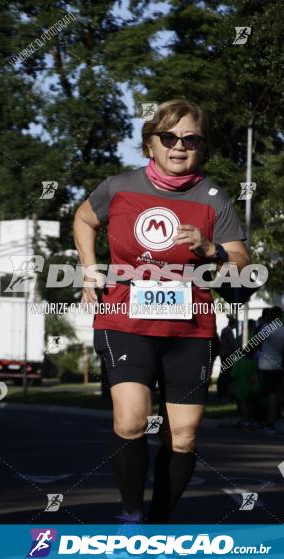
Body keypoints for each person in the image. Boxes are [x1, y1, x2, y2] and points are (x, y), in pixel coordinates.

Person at [73, 99, 250, 533]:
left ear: (201, 147)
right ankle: (131, 516)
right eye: (168, 137)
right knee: (131, 420)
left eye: (190, 139)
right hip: (125, 319)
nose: (179, 146)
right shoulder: (118, 186)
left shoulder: (213, 197)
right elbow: (83, 218)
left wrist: (213, 250)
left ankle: (158, 523)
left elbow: (243, 260)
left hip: (190, 326)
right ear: (150, 143)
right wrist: (88, 268)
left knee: (184, 436)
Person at [256, 306, 284, 433]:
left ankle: (269, 421)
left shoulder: (267, 328)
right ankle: (277, 416)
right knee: (276, 392)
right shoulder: (283, 330)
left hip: (265, 364)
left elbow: (257, 343)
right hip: (277, 363)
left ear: (273, 315)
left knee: (268, 394)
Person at [229, 345, 260, 429]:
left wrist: (231, 386)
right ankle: (249, 419)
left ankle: (244, 420)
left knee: (242, 405)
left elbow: (233, 375)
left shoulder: (238, 362)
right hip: (250, 388)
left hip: (239, 388)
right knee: (249, 405)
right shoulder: (252, 364)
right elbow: (254, 378)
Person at [217, 316, 238, 399]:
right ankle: (224, 391)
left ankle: (222, 390)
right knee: (227, 373)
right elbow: (232, 344)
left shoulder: (224, 330)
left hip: (223, 354)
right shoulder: (229, 331)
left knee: (223, 372)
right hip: (227, 354)